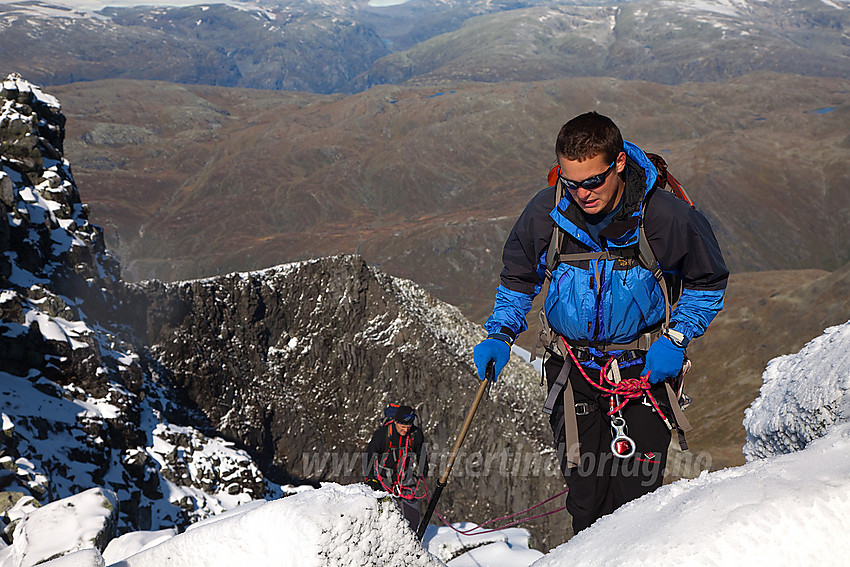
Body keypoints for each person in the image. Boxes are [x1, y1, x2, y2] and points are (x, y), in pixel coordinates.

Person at [472, 111, 728, 534]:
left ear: (619, 164)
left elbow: (708, 282)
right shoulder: (547, 212)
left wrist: (677, 338)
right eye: (571, 183)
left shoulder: (664, 217)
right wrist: (500, 333)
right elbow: (519, 277)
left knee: (635, 501)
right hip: (571, 372)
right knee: (586, 498)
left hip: (644, 370)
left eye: (593, 180)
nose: (583, 193)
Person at [364, 405, 428, 530]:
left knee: (412, 516)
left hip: (405, 476)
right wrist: (370, 478)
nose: (405, 430)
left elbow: (421, 453)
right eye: (402, 427)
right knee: (384, 512)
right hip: (383, 478)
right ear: (395, 422)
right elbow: (369, 455)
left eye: (408, 427)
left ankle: (411, 537)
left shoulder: (415, 434)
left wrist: (423, 469)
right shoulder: (382, 435)